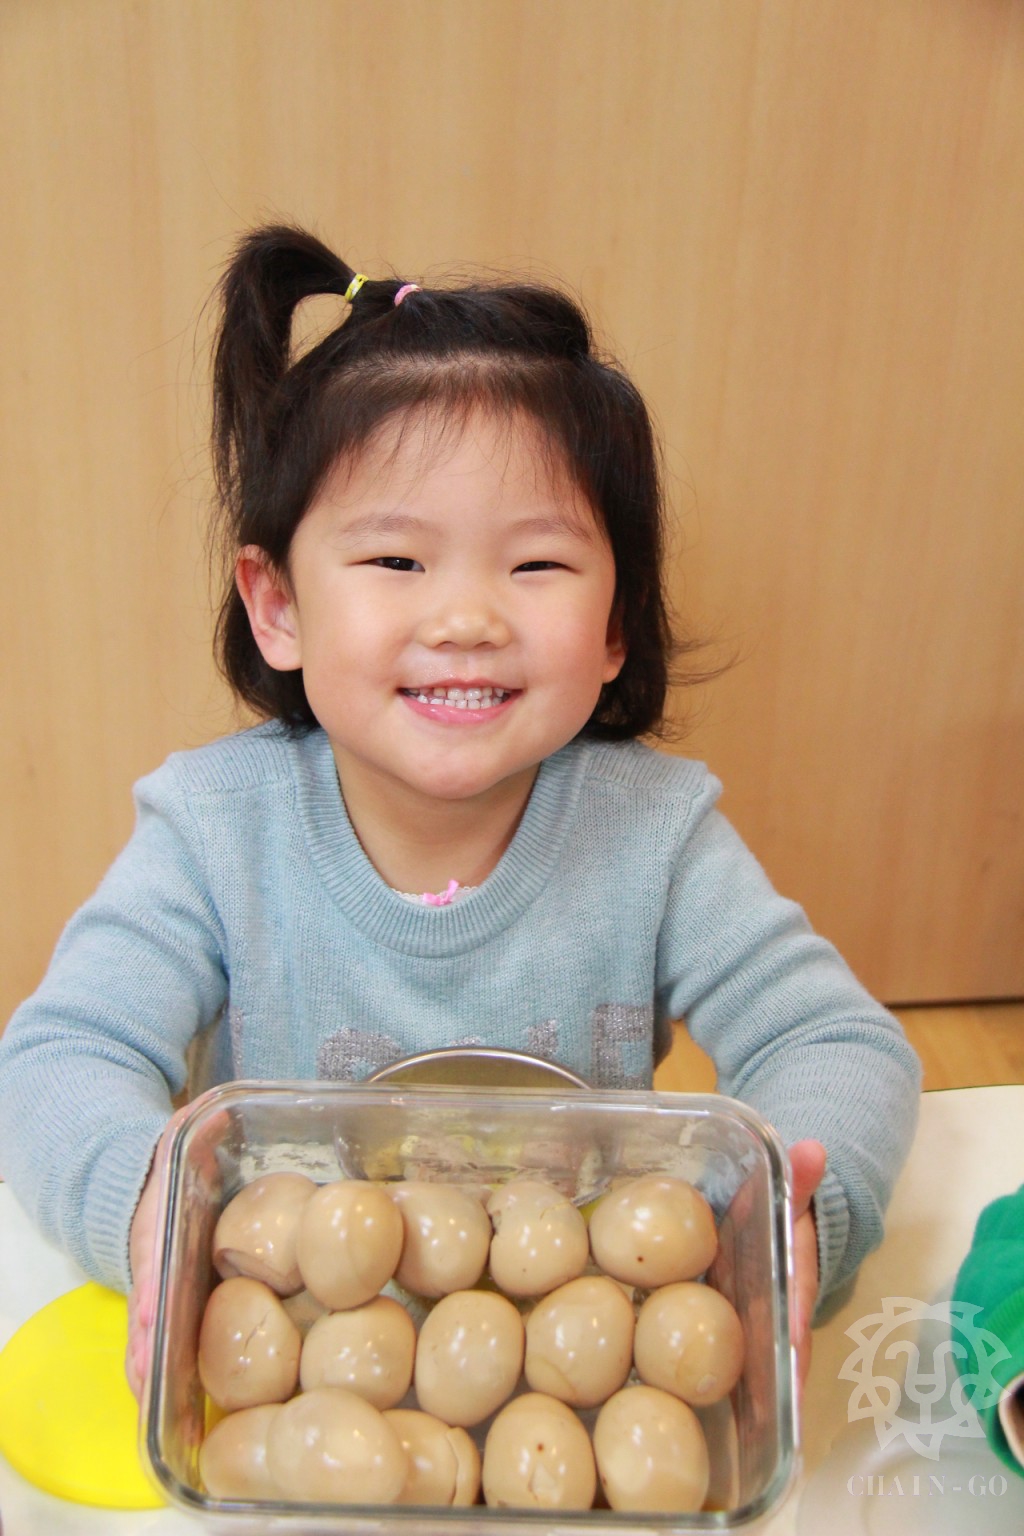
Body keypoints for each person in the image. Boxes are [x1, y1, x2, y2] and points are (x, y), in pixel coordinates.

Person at [0, 225, 920, 1400]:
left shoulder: (654, 833)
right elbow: (61, 1058)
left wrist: (784, 1227)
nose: (468, 619)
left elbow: (836, 1044)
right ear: (277, 606)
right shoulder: (215, 831)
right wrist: (152, 1211)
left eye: (536, 567)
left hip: (580, 1370)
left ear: (615, 625)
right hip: (298, 1371)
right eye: (396, 562)